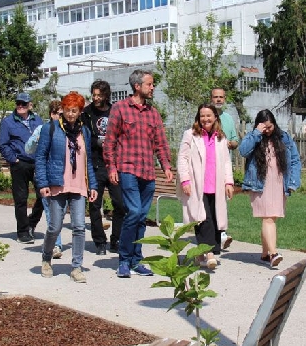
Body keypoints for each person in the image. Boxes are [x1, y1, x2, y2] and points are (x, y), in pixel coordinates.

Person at [103, 69, 173, 278]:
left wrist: (166, 166)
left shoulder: (153, 113)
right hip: (127, 169)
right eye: (150, 84)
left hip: (148, 172)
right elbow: (110, 141)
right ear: (137, 86)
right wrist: (112, 167)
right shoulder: (120, 109)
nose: (153, 88)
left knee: (142, 217)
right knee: (133, 212)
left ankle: (137, 260)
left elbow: (160, 142)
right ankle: (124, 260)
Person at [35, 92, 98, 283]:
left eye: (75, 110)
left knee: (79, 226)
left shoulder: (84, 132)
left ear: (80, 112)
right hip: (58, 183)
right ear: (62, 109)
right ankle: (46, 258)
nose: (71, 114)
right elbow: (40, 157)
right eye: (68, 110)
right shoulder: (51, 128)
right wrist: (43, 183)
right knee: (54, 226)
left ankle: (76, 267)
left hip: (78, 185)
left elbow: (87, 161)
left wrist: (92, 185)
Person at [238, 109, 301, 268]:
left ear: (274, 124)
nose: (267, 130)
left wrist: (293, 182)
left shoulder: (284, 138)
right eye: (263, 127)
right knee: (268, 218)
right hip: (260, 183)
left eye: (269, 127)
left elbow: (295, 160)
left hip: (279, 183)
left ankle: (265, 254)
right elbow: (243, 151)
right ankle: (273, 254)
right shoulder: (255, 137)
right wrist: (256, 133)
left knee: (270, 218)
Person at [177, 103, 234, 269]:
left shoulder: (220, 138)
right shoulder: (190, 135)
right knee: (203, 219)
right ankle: (209, 253)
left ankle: (200, 255)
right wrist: (185, 180)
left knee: (215, 220)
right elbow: (182, 159)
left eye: (209, 115)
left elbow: (226, 162)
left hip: (215, 186)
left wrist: (229, 182)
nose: (205, 119)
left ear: (215, 117)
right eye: (202, 116)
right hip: (197, 186)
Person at [82, 79, 125, 255]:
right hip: (95, 163)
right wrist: (98, 142)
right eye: (94, 94)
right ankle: (99, 241)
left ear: (106, 95)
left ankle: (116, 239)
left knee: (120, 204)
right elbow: (84, 135)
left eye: (99, 95)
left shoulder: (115, 110)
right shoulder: (87, 113)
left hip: (114, 164)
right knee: (94, 205)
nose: (96, 97)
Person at [0, 92, 44, 244]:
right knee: (21, 199)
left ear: (30, 105)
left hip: (37, 163)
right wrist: (14, 159)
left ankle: (32, 222)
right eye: (18, 103)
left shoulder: (37, 120)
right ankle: (23, 232)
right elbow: (3, 145)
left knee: (44, 195)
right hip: (20, 164)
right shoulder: (8, 122)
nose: (20, 106)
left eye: (24, 104)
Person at [26, 100, 64, 259]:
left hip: (63, 178)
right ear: (51, 114)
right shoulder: (42, 129)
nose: (60, 117)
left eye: (62, 114)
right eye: (57, 114)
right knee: (51, 212)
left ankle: (54, 241)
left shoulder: (67, 130)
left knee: (60, 213)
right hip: (46, 178)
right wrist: (38, 139)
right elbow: (28, 149)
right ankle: (56, 245)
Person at [211, 87, 239, 250]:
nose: (219, 100)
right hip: (208, 166)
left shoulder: (228, 118)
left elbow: (235, 139)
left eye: (221, 97)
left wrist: (232, 143)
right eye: (216, 97)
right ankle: (214, 233)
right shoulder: (206, 116)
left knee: (223, 199)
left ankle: (221, 233)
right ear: (211, 98)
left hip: (224, 165)